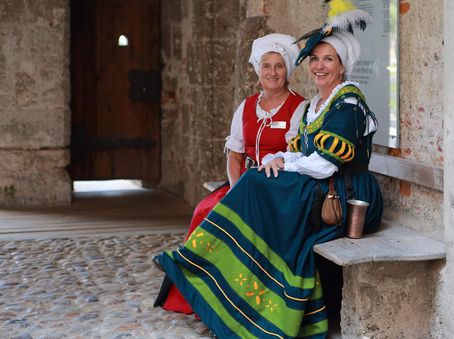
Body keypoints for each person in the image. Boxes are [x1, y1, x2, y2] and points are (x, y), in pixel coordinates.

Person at [155, 1, 383, 337]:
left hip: (347, 194)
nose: (319, 66)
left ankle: (231, 285)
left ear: (342, 65)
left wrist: (281, 167)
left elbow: (324, 163)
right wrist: (278, 160)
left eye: (328, 59)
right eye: (315, 59)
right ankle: (220, 282)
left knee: (258, 186)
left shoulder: (347, 103)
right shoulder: (318, 105)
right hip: (325, 185)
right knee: (257, 181)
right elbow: (302, 154)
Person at [154, 33, 306, 315]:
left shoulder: (299, 107)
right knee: (204, 209)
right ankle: (195, 291)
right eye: (266, 66)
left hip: (279, 188)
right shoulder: (247, 106)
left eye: (279, 66)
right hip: (243, 184)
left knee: (236, 224)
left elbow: (298, 155)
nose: (272, 72)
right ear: (258, 72)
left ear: (287, 72)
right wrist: (236, 190)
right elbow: (235, 155)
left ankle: (226, 298)